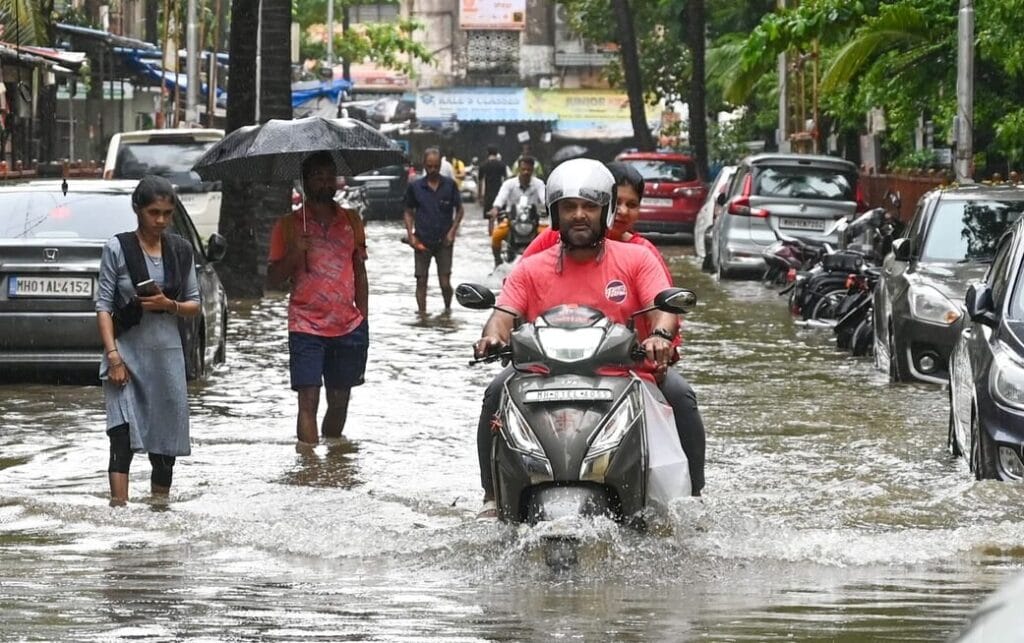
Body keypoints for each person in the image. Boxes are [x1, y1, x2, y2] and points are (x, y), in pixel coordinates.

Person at [472, 158, 697, 519]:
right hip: (541, 375)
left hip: (624, 373)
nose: (579, 215)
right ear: (555, 213)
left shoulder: (637, 259)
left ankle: (693, 498)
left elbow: (662, 306)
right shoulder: (531, 267)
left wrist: (658, 336)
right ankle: (493, 498)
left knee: (680, 395)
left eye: (589, 206)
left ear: (605, 211)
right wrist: (492, 339)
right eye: (569, 207)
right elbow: (503, 314)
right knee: (496, 392)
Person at [95, 175, 202, 506]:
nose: (160, 220)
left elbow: (195, 304)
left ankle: (159, 512)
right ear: (137, 209)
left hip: (166, 358)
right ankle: (119, 513)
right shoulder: (118, 248)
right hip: (125, 354)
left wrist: (169, 305)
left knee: (164, 448)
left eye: (167, 214)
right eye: (153, 212)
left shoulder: (180, 251)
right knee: (121, 438)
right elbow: (103, 306)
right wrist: (113, 357)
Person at [267, 151, 369, 445]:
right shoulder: (288, 226)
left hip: (348, 326)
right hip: (305, 326)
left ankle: (333, 458)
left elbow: (360, 271)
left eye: (330, 177)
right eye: (318, 177)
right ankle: (309, 465)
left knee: (339, 402)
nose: (325, 183)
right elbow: (272, 279)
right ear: (304, 182)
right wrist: (295, 252)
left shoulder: (352, 220)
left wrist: (363, 318)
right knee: (308, 400)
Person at [404, 147, 465, 315]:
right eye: (429, 166)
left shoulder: (450, 185)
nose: (432, 170)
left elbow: (460, 210)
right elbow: (408, 211)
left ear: (440, 165)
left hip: (444, 241)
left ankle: (447, 311)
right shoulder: (415, 187)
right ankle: (422, 314)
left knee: (445, 282)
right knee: (421, 281)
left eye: (436, 166)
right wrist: (410, 235)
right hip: (422, 241)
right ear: (424, 165)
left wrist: (453, 231)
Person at [487, 156, 546, 266]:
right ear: (519, 169)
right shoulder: (509, 184)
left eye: (529, 170)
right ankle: (497, 261)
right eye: (523, 169)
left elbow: (544, 198)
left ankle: (548, 263)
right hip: (512, 220)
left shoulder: (539, 184)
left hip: (533, 221)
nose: (526, 172)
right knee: (496, 235)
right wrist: (495, 209)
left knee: (550, 237)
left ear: (533, 170)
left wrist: (550, 207)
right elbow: (501, 198)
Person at [478, 145, 508, 233]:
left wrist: (479, 196)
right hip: (500, 194)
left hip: (488, 194)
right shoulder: (502, 165)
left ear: (487, 153)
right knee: (501, 217)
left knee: (490, 218)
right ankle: (501, 235)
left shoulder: (483, 165)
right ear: (496, 153)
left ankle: (491, 235)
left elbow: (480, 182)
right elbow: (505, 180)